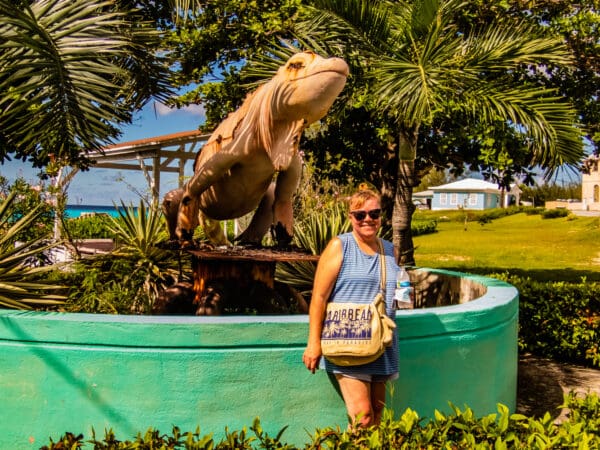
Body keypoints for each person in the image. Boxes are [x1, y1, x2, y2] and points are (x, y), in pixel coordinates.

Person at [302, 188, 399, 428]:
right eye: (360, 215)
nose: (368, 219)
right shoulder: (340, 246)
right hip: (349, 340)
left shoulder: (390, 250)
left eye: (374, 213)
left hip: (381, 341)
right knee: (363, 416)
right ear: (350, 217)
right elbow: (319, 297)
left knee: (378, 412)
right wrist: (313, 343)